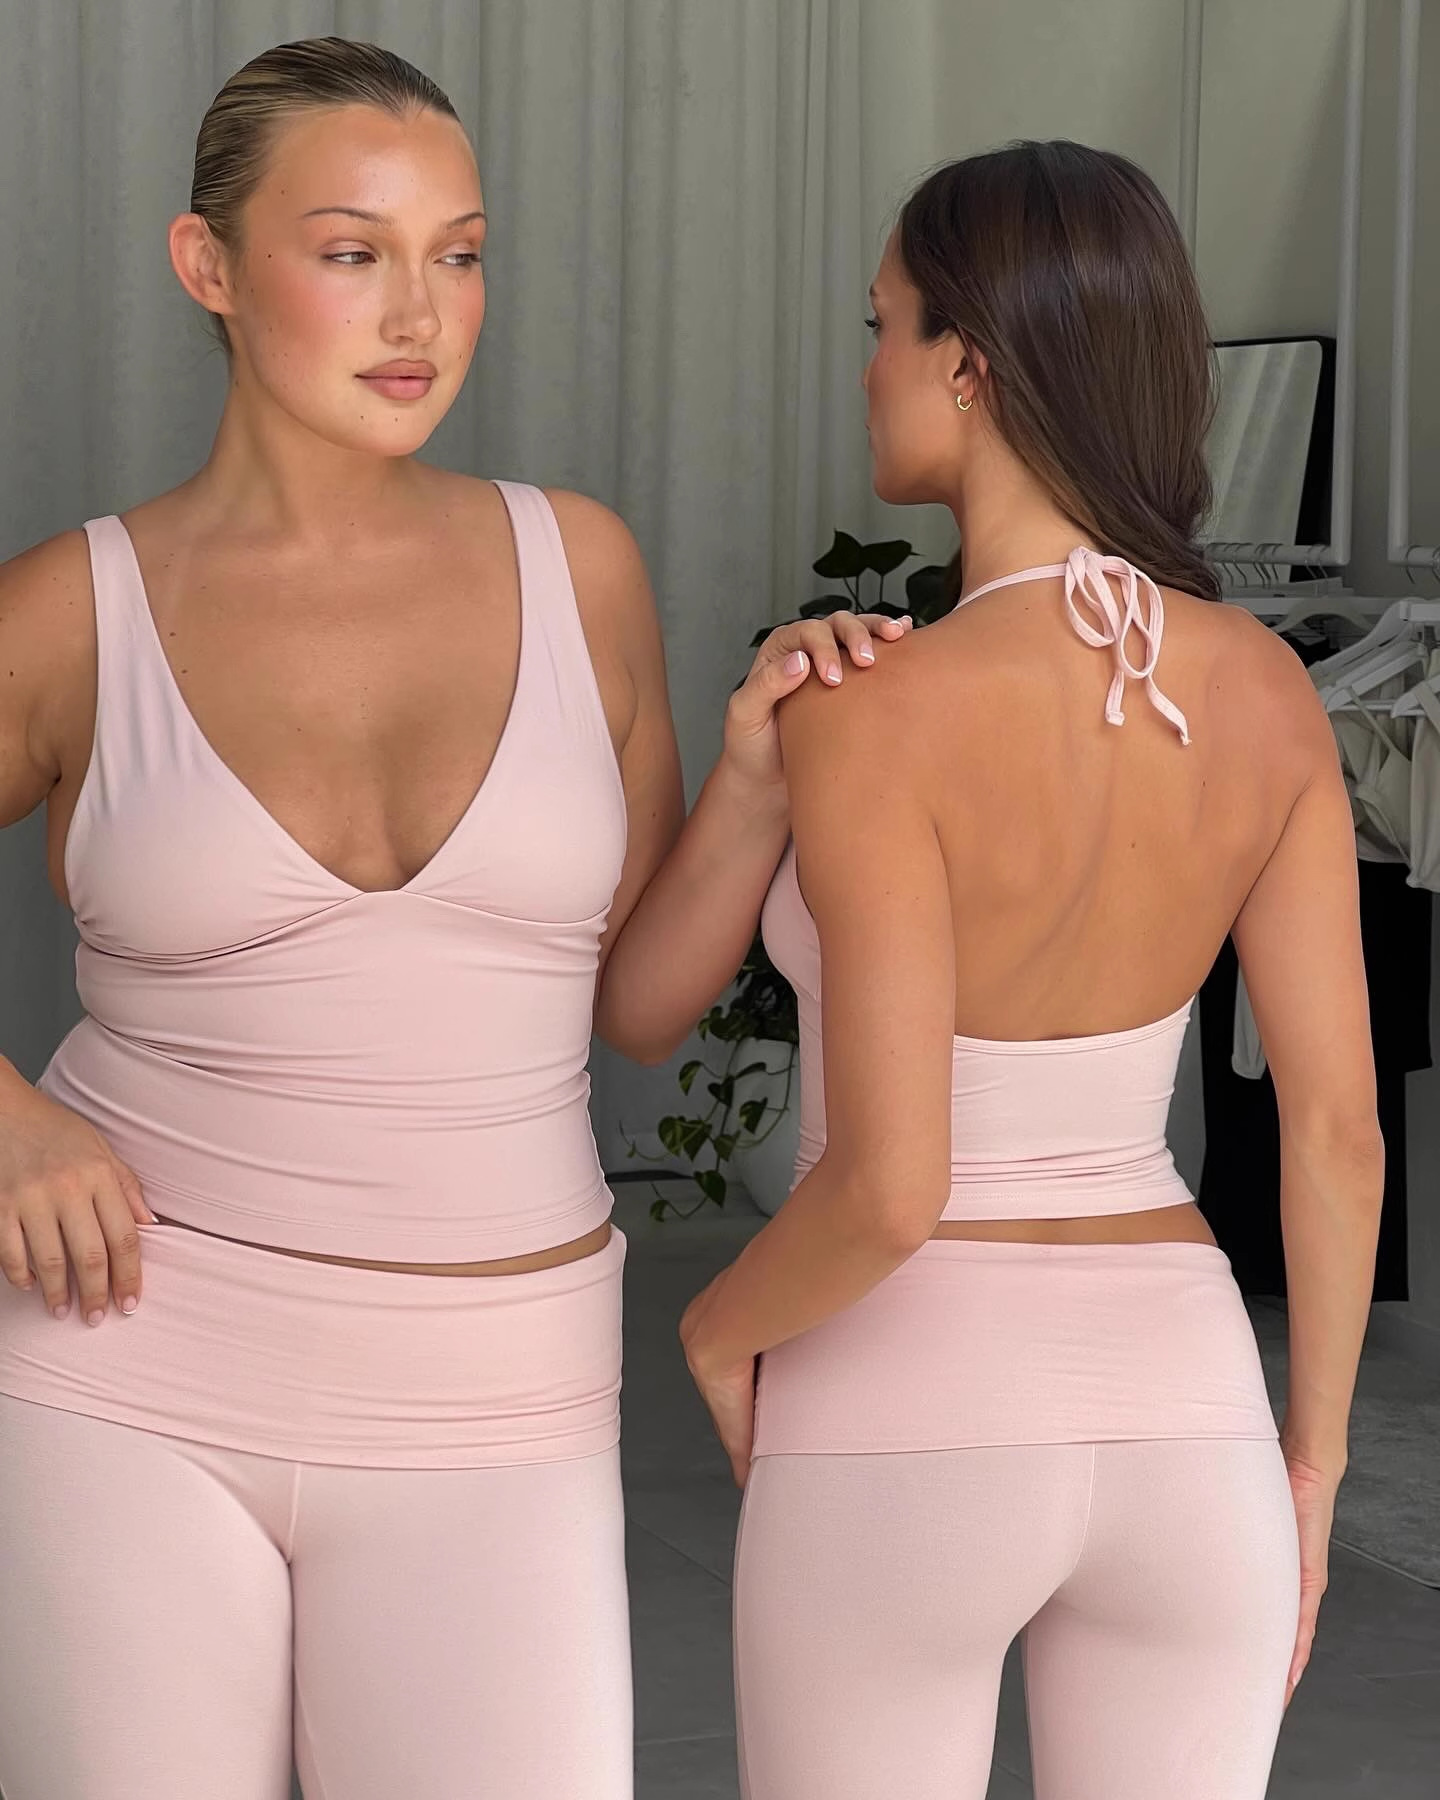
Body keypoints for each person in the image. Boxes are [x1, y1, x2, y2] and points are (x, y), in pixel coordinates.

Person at [0, 36, 902, 1800]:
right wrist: (5, 1120)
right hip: (131, 1364)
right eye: (353, 252)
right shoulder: (71, 610)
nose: (421, 312)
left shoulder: (581, 565)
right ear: (207, 266)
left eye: (461, 254)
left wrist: (751, 783)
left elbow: (636, 1002)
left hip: (503, 1392)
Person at [680, 141, 1384, 1800]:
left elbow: (890, 1190)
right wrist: (1310, 1476)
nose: (868, 368)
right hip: (1193, 1419)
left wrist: (714, 1331)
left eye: (883, 326)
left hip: (903, 1402)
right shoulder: (1268, 694)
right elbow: (1337, 1135)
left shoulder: (871, 709)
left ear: (969, 366)